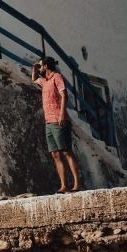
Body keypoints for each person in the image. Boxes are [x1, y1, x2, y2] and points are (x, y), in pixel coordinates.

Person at [33, 57, 83, 193]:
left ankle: (78, 184)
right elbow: (33, 80)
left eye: (42, 65)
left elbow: (64, 95)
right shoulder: (44, 81)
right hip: (48, 122)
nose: (41, 68)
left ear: (47, 66)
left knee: (67, 151)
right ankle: (64, 185)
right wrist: (35, 67)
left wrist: (61, 115)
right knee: (55, 154)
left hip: (59, 119)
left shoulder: (57, 77)